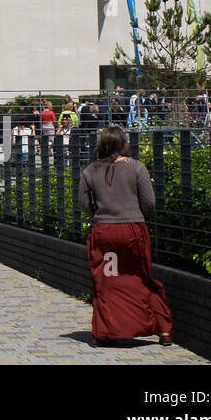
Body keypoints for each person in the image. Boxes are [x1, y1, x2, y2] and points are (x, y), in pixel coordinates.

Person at [80, 126, 172, 346]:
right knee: (141, 277)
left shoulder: (90, 171)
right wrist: (140, 217)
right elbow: (149, 202)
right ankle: (163, 330)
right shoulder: (137, 167)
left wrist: (97, 216)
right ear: (123, 144)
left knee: (105, 280)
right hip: (132, 227)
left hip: (104, 230)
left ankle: (104, 331)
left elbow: (83, 203)